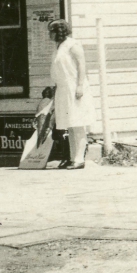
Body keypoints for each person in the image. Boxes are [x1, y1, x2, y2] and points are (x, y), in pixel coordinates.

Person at [47, 20, 90, 168]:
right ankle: (73, 158)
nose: (49, 35)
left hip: (74, 87)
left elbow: (81, 65)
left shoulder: (73, 44)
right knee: (69, 125)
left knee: (77, 124)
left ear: (58, 31)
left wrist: (79, 85)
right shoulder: (58, 47)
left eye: (51, 31)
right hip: (63, 89)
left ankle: (79, 160)